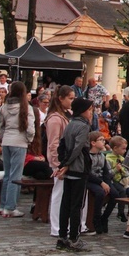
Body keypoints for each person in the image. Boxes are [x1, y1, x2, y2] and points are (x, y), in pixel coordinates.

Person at [55, 98, 95, 252]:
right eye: (89, 109)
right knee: (76, 205)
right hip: (78, 168)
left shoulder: (70, 123)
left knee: (66, 203)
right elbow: (78, 148)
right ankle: (74, 238)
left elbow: (63, 144)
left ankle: (62, 236)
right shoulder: (84, 126)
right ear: (83, 111)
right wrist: (66, 164)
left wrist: (64, 163)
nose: (91, 112)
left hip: (70, 168)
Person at [0, 81, 35, 218]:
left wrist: (3, 136)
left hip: (7, 141)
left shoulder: (4, 107)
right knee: (15, 176)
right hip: (19, 141)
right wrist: (28, 139)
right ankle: (10, 207)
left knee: (7, 174)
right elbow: (30, 128)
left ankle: (3, 205)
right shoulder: (26, 107)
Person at [45, 85, 78, 238]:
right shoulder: (54, 119)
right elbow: (53, 143)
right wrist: (58, 163)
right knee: (58, 193)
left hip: (67, 159)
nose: (72, 101)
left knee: (66, 193)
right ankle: (56, 226)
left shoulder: (67, 115)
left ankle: (64, 224)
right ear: (61, 99)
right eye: (70, 98)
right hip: (58, 160)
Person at [87, 131, 117, 234]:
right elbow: (88, 174)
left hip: (102, 180)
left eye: (104, 140)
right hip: (91, 180)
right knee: (99, 193)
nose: (104, 142)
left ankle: (105, 217)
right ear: (93, 143)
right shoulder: (87, 156)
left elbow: (106, 172)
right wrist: (101, 183)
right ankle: (96, 219)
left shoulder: (102, 156)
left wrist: (107, 183)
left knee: (115, 194)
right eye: (101, 140)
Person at [105, 136, 129, 223]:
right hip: (114, 181)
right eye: (123, 149)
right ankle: (121, 212)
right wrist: (116, 169)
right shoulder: (108, 159)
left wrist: (128, 176)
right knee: (122, 192)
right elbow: (108, 174)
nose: (125, 151)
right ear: (115, 148)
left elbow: (126, 170)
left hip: (123, 181)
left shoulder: (122, 159)